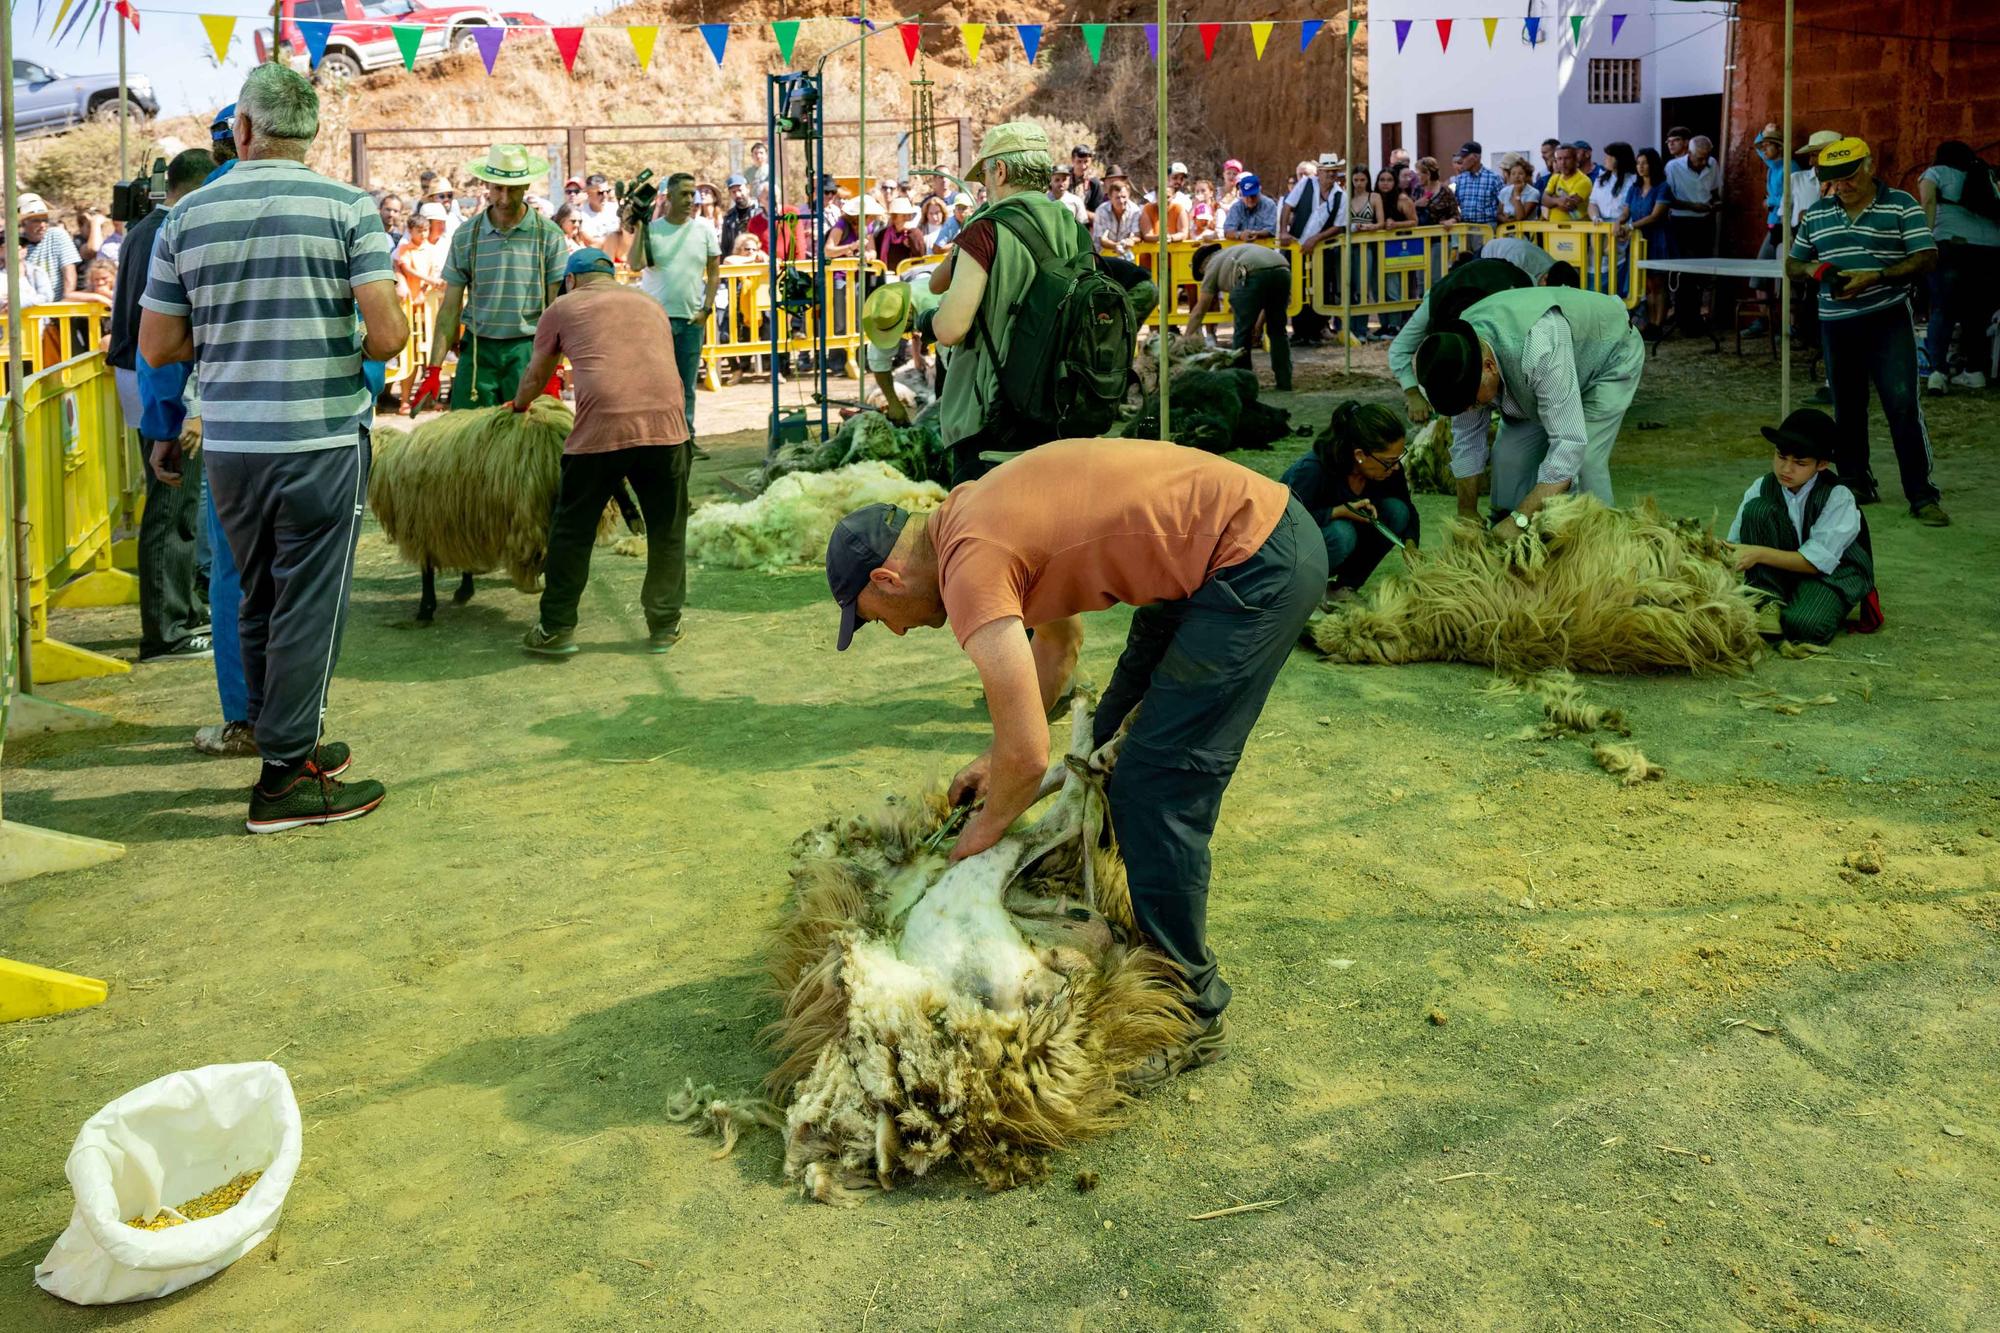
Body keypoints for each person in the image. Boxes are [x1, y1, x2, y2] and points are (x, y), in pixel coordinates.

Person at [822, 438, 1326, 1085]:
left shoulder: (967, 565)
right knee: (1106, 747)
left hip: (1255, 563)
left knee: (1156, 786)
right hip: (1222, 556)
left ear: (886, 580)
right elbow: (1059, 647)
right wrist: (992, 756)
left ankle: (1191, 1008)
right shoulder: (972, 517)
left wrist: (983, 833)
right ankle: (1119, 914)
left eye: (874, 619)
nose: (892, 631)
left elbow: (1030, 755)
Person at [139, 61, 406, 832]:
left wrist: (230, 331)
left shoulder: (185, 216)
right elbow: (386, 333)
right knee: (310, 607)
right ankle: (286, 779)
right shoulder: (349, 207)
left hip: (230, 446)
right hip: (320, 440)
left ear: (243, 131)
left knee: (257, 594)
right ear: (312, 133)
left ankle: (274, 734)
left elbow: (157, 347)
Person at [510, 249, 691, 657]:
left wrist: (519, 406)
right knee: (667, 530)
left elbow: (538, 374)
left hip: (602, 429)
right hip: (668, 427)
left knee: (572, 531)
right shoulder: (650, 303)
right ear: (611, 274)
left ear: (571, 280)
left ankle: (556, 628)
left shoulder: (563, 306)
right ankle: (665, 625)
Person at [1785, 137, 1945, 524]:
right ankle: (1857, 479)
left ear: (1870, 166)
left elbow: (1926, 257)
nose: (1842, 185)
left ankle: (1922, 495)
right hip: (1836, 322)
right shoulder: (1818, 213)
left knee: (1903, 405)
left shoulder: (1901, 204)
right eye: (1834, 179)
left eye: (1850, 176)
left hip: (1887, 316)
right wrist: (1815, 270)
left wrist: (1877, 276)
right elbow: (1793, 263)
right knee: (1848, 406)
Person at [925, 122, 1096, 482]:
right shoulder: (1073, 227)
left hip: (992, 415)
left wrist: (927, 319)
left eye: (985, 173)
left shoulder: (987, 229)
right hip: (1061, 405)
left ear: (999, 170)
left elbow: (950, 328)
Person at [109, 148, 216, 665]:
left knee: (180, 503)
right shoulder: (164, 232)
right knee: (171, 504)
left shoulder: (147, 228)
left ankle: (183, 612)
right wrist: (172, 415)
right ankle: (166, 630)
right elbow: (159, 333)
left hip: (153, 377)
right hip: (159, 379)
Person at [1413, 286, 1645, 521]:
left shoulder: (1538, 347)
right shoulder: (1457, 358)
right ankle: (1505, 530)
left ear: (1489, 367)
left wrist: (1520, 520)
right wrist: (1466, 512)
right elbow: (1467, 439)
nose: (1469, 410)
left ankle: (1599, 541)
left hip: (1608, 357)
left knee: (1586, 462)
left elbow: (1569, 444)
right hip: (1539, 379)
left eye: (1472, 403)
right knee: (1508, 458)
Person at [410, 144, 566, 413]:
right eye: (498, 188)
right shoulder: (466, 236)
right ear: (488, 185)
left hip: (528, 351)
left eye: (513, 189)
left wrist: (554, 368)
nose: (504, 198)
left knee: (527, 443)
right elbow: (449, 309)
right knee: (470, 441)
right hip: (478, 352)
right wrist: (433, 370)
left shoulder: (548, 235)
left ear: (526, 184)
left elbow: (557, 311)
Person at [1726, 407, 1875, 645]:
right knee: (1758, 509)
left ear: (1822, 464)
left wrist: (1758, 553)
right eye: (1781, 457)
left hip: (1830, 574)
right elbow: (1736, 544)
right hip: (1780, 571)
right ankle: (1769, 601)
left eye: (1800, 462)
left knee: (1803, 626)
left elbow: (1815, 563)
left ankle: (1795, 602)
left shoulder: (1838, 497)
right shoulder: (1761, 487)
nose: (1786, 469)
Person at [1282, 401, 1419, 597]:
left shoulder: (1388, 468)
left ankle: (1344, 588)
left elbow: (1406, 505)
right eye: (1389, 461)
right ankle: (1301, 593)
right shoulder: (1313, 469)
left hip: (1330, 545)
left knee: (1397, 511)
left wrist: (1411, 542)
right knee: (1342, 534)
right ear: (1360, 455)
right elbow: (1283, 524)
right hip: (1289, 553)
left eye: (1398, 458)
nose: (1396, 467)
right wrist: (1336, 512)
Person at [630, 173, 721, 448]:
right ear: (668, 198)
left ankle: (686, 438)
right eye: (683, 194)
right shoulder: (653, 229)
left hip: (691, 319)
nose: (689, 199)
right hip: (656, 321)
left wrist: (706, 310)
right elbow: (635, 264)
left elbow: (714, 272)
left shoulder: (704, 229)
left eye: (692, 193)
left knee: (686, 386)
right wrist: (639, 227)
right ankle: (656, 440)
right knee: (655, 384)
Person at [1918, 141, 2000, 393]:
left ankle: (1938, 373)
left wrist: (1924, 240)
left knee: (1943, 310)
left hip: (1953, 246)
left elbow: (1928, 201)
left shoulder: (1936, 173)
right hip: (1991, 250)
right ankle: (1975, 372)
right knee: (1977, 313)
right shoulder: (1986, 175)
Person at [1186, 241, 1292, 391]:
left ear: (1202, 265)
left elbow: (1200, 309)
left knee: (1242, 333)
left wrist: (1185, 339)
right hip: (1282, 269)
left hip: (1249, 273)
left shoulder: (1211, 264)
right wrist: (1259, 324)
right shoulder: (1234, 251)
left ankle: (1243, 384)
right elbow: (1268, 300)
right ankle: (1284, 381)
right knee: (1278, 331)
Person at [860, 277, 942, 426]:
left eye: (899, 329)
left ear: (909, 313)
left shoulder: (935, 304)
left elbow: (956, 360)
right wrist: (893, 402)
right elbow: (879, 362)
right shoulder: (884, 312)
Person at [1665, 135, 1721, 331]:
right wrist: (1692, 206)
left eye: (1706, 157)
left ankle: (1697, 316)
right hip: (1682, 220)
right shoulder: (1673, 167)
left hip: (1705, 220)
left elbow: (1714, 191)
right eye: (1699, 158)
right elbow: (1668, 198)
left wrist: (1714, 204)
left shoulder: (1712, 163)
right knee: (1684, 270)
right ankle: (1683, 319)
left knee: (1702, 268)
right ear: (1689, 154)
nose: (1703, 162)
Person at [1629, 148, 1674, 336]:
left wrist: (1631, 226)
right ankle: (1649, 322)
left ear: (1653, 165)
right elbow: (1626, 209)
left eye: (1645, 163)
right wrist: (1619, 223)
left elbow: (1656, 215)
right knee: (1645, 283)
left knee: (1658, 282)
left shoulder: (1662, 187)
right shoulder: (1634, 188)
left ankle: (1658, 322)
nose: (1641, 167)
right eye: (1638, 163)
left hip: (1657, 237)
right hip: (1639, 239)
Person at [19, 194, 79, 301]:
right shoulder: (15, 242)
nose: (42, 225)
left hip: (57, 307)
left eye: (45, 220)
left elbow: (68, 269)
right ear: (23, 223)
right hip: (28, 309)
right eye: (36, 220)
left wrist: (65, 302)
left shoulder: (57, 235)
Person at [1451, 142, 1504, 227]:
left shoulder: (1494, 178)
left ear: (1475, 157)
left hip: (1487, 230)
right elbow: (1455, 205)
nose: (1461, 160)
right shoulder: (1460, 179)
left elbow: (1503, 205)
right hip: (1465, 230)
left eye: (1464, 157)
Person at [1093, 172, 1143, 256]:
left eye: (1124, 197)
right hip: (1103, 256)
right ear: (1110, 197)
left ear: (1129, 195)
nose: (1121, 201)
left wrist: (1131, 240)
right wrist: (1116, 246)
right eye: (1117, 198)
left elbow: (1137, 235)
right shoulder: (1101, 211)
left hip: (1127, 256)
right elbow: (1102, 239)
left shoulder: (1135, 210)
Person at [1542, 143, 1593, 223]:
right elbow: (1544, 200)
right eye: (1559, 159)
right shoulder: (1555, 177)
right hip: (1553, 231)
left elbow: (1568, 206)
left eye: (1567, 158)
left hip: (1576, 231)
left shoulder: (1584, 181)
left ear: (1575, 159)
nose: (1563, 162)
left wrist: (1552, 198)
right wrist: (1558, 201)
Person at [719, 173, 765, 258]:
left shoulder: (761, 212)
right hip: (737, 264)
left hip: (759, 261)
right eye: (733, 192)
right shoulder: (729, 218)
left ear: (748, 189)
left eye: (740, 190)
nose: (737, 194)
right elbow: (725, 247)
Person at [1222, 173, 1277, 240]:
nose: (1250, 199)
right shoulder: (1236, 207)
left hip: (1264, 248)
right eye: (1246, 196)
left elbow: (1271, 229)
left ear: (1260, 190)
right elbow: (1227, 231)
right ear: (1241, 193)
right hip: (1241, 248)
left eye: (1253, 195)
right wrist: (1240, 235)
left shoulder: (1269, 205)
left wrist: (1257, 234)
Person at [879, 196, 928, 269]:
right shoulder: (883, 234)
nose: (907, 218)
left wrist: (911, 233)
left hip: (910, 274)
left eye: (909, 215)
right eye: (904, 215)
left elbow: (921, 254)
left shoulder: (914, 233)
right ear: (894, 217)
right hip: (888, 276)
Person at [574, 173, 620, 247]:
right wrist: (614, 239)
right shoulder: (581, 214)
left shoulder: (616, 209)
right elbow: (590, 242)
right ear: (588, 193)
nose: (605, 196)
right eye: (600, 193)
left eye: (607, 191)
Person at [1497, 153, 1541, 223]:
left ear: (1527, 176)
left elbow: (1520, 217)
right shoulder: (1504, 191)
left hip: (1527, 232)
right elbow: (1499, 214)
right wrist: (1505, 220)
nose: (1516, 176)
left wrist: (1517, 194)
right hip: (1506, 231)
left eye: (1520, 174)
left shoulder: (1533, 193)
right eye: (1513, 173)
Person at [1070, 145, 1105, 215]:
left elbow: (1098, 213)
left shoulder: (1094, 183)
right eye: (1079, 162)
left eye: (1086, 162)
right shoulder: (1064, 179)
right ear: (1073, 160)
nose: (1083, 166)